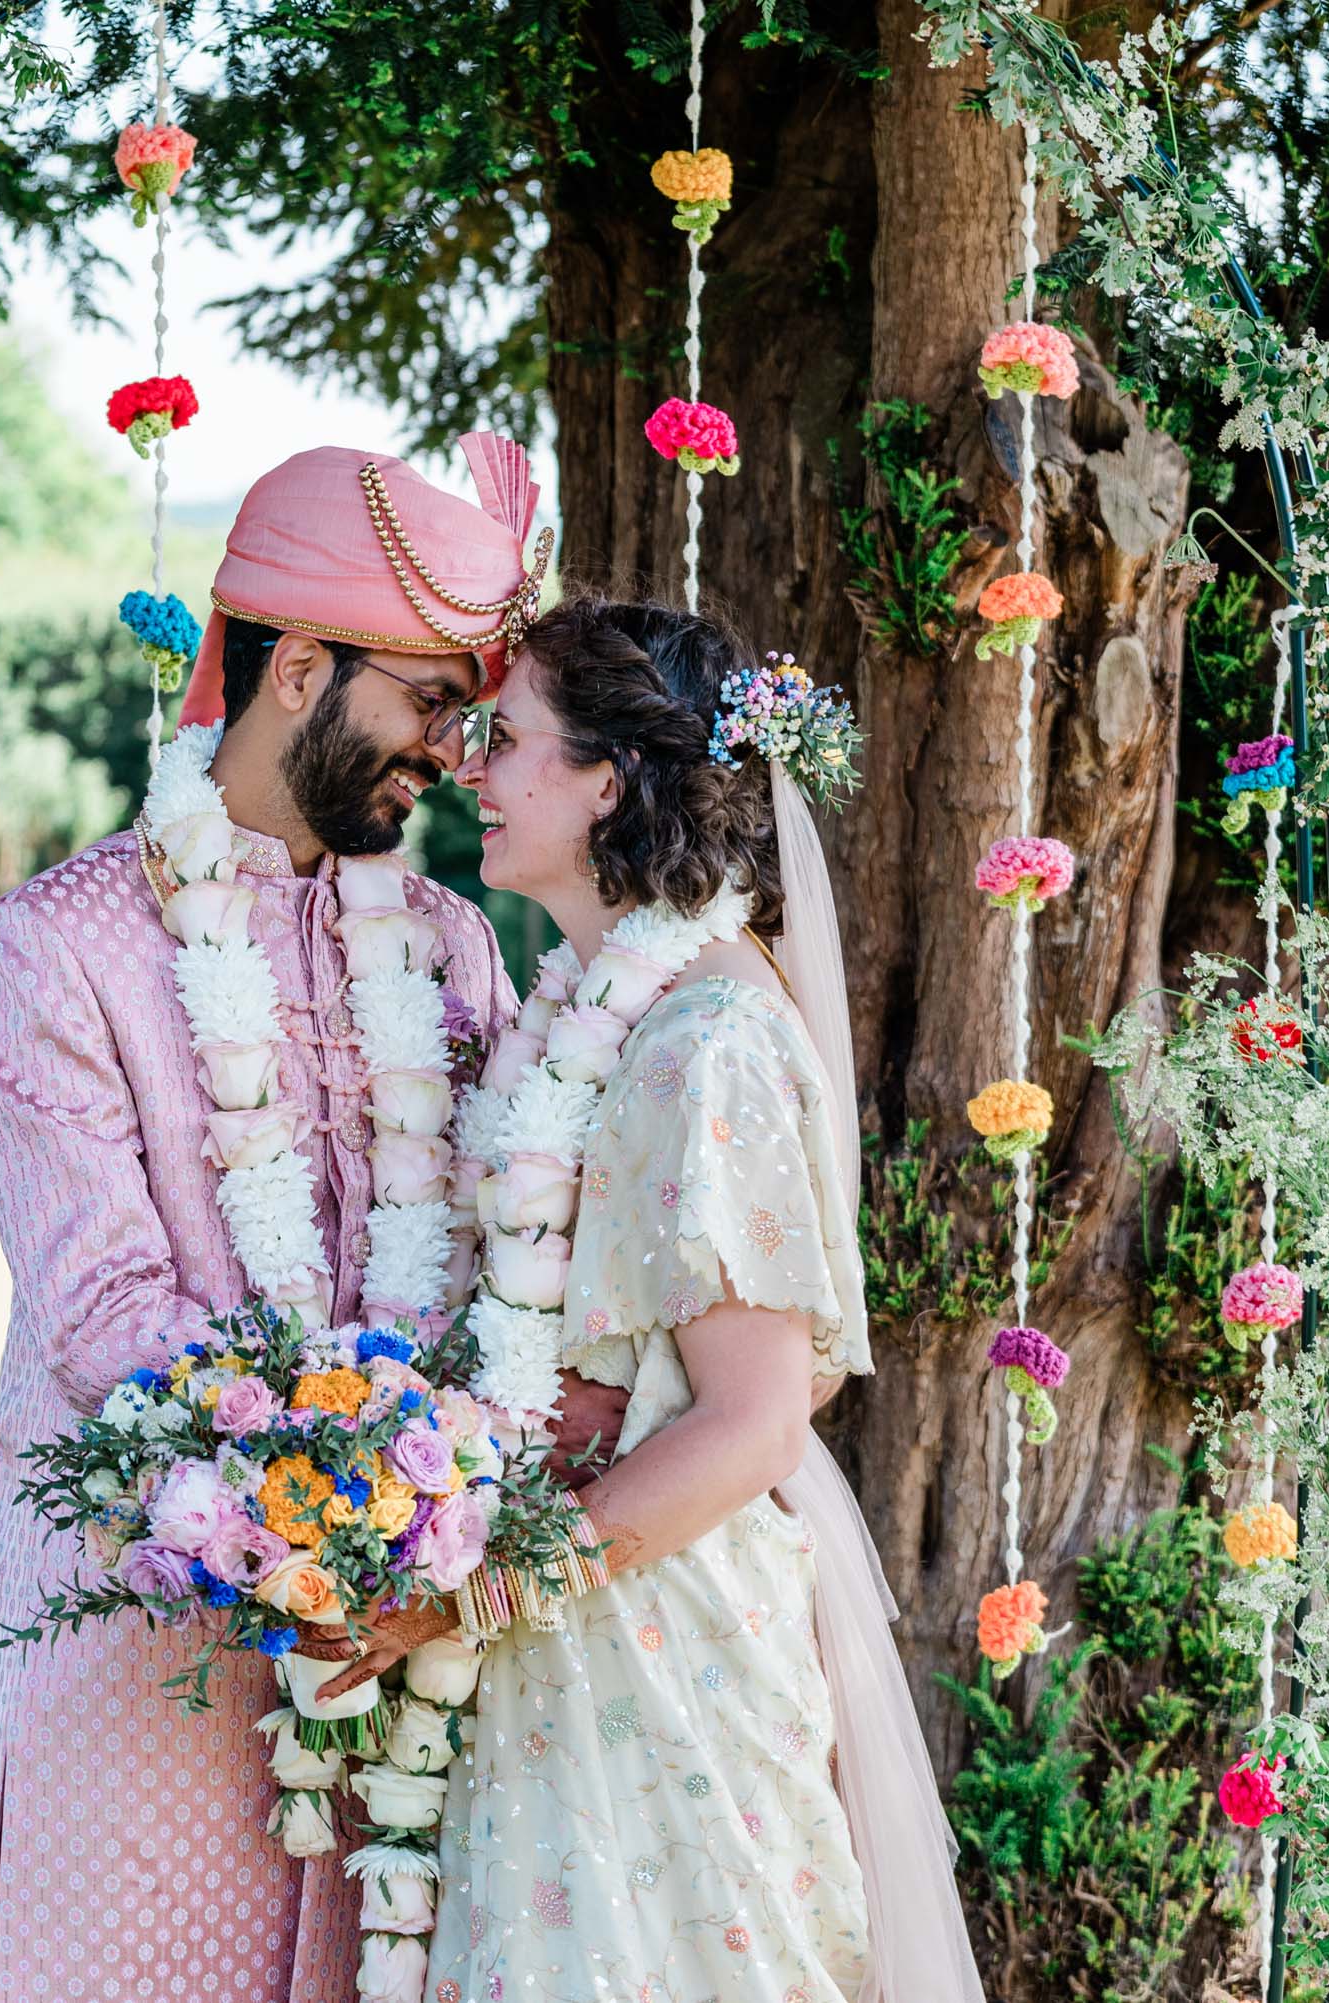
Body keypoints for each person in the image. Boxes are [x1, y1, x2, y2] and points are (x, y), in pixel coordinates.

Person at [0, 437, 633, 2003]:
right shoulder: (65, 947)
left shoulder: (459, 947)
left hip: (417, 1620)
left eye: (475, 717)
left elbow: (502, 1265)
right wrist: (336, 1521)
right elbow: (103, 1313)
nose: (452, 753)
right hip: (153, 1616)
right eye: (426, 703)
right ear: (300, 672)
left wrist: (426, 1538)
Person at [316, 598, 988, 2003]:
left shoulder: (708, 1038)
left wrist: (470, 1595)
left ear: (610, 782)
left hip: (664, 1665)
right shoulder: (580, 1003)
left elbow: (754, 1421)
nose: (472, 770)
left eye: (509, 741)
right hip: (571, 1649)